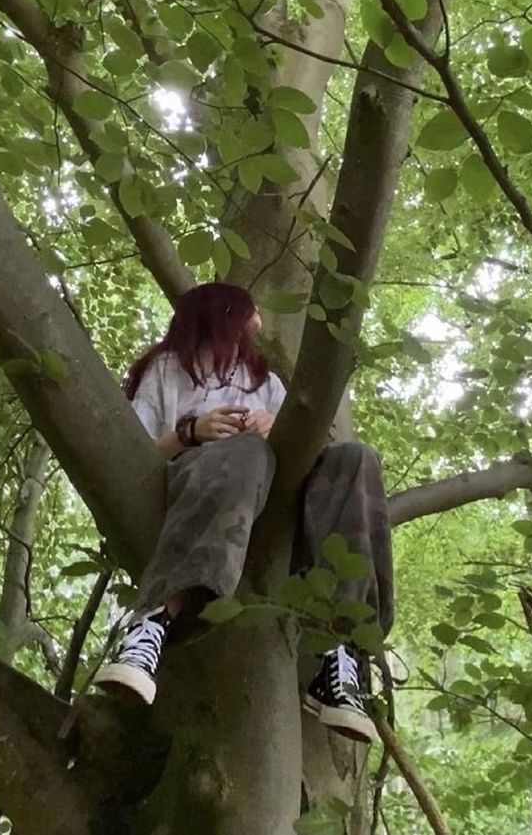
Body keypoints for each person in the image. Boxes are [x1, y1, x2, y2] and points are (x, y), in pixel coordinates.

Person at [94, 283, 393, 744]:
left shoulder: (265, 384)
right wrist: (191, 432)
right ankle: (152, 622)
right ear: (221, 316)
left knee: (356, 458)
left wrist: (279, 427)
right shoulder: (166, 371)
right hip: (197, 492)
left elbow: (309, 460)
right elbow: (131, 454)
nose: (255, 328)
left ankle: (341, 651)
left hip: (272, 504)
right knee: (246, 452)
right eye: (247, 317)